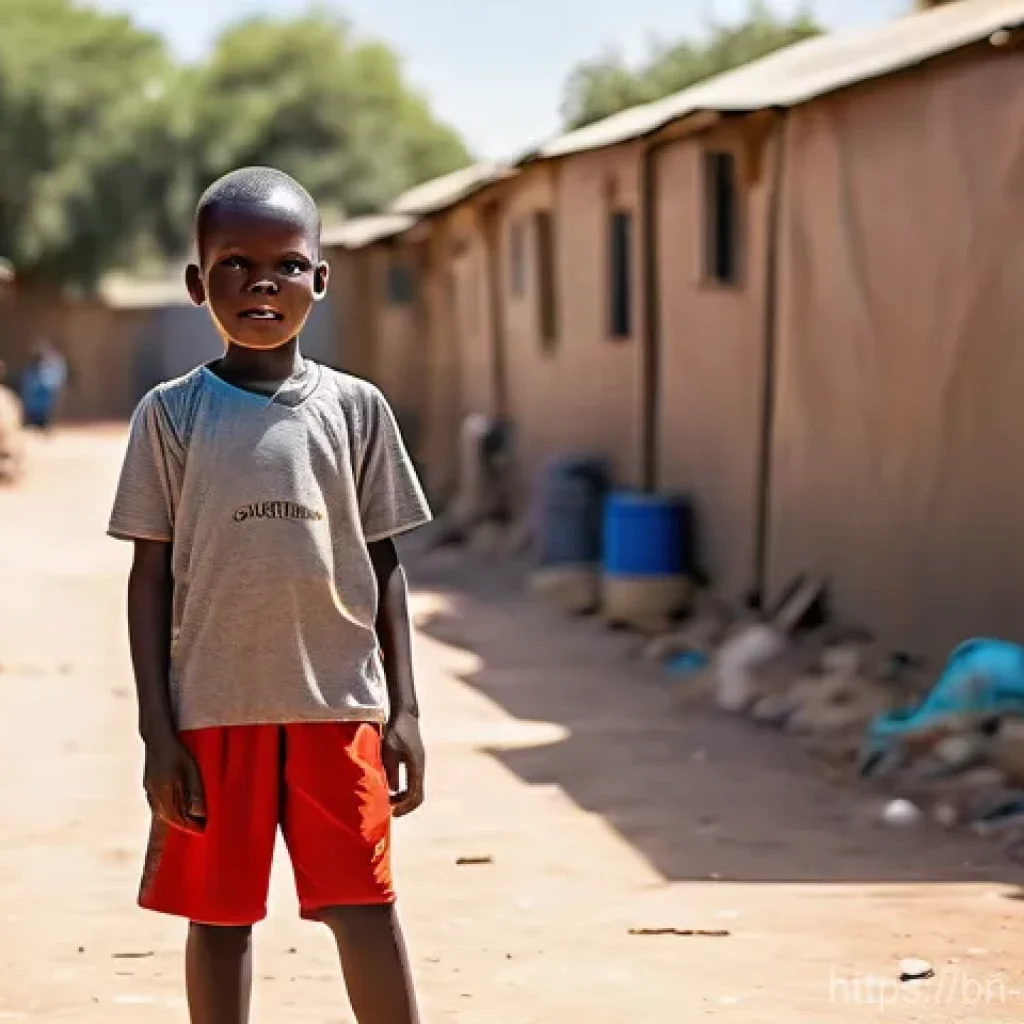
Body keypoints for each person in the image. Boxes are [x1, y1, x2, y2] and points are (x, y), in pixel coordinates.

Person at [107, 167, 432, 1024]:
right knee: (219, 919)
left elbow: (385, 564)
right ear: (197, 284)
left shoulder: (357, 409)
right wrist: (157, 731)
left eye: (287, 265)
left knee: (364, 905)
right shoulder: (171, 415)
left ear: (319, 279)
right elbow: (149, 577)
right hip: (214, 711)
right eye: (235, 265)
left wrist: (405, 710)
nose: (263, 283)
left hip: (339, 706)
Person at [20, 339, 66, 431]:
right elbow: (26, 388)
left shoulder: (49, 369)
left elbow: (52, 385)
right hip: (31, 409)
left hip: (44, 409)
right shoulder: (30, 371)